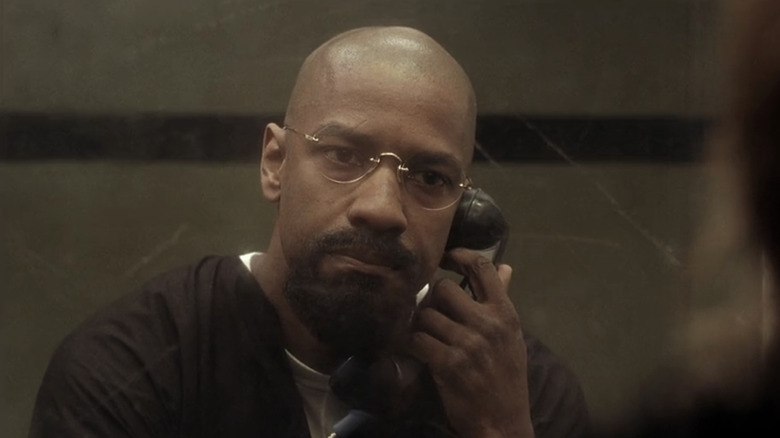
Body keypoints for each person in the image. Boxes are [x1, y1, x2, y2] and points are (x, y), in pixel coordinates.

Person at [29, 26, 588, 438]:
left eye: (429, 177)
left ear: (464, 210)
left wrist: (499, 430)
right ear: (275, 163)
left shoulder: (522, 394)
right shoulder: (130, 370)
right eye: (344, 155)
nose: (382, 209)